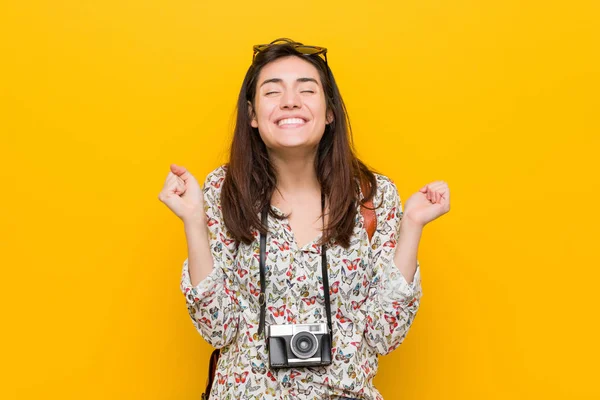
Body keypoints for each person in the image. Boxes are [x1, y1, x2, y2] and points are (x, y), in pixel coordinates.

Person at [158, 38, 451, 400]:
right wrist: (193, 220)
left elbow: (384, 335)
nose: (290, 101)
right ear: (251, 114)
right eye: (272, 91)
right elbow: (216, 328)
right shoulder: (223, 190)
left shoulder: (372, 197)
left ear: (329, 112)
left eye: (307, 89)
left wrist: (413, 226)